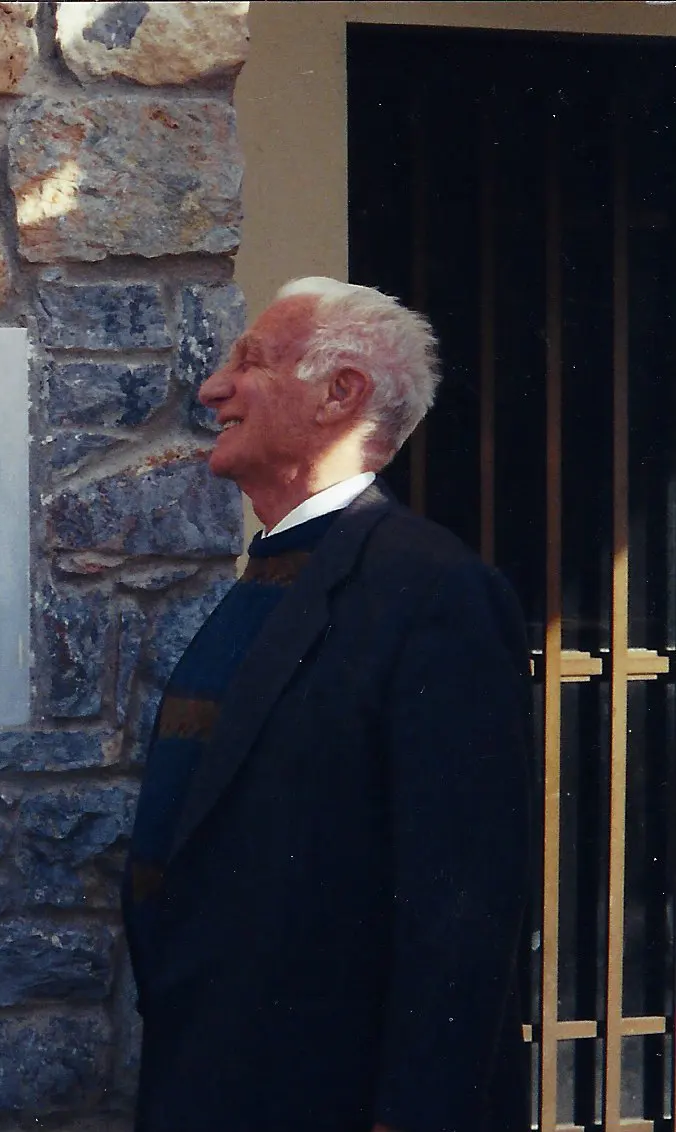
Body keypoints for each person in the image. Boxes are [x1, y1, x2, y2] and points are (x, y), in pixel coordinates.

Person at [122, 277, 533, 1131]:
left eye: (252, 363)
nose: (212, 390)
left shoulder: (433, 592)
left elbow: (463, 899)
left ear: (340, 394)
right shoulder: (280, 570)